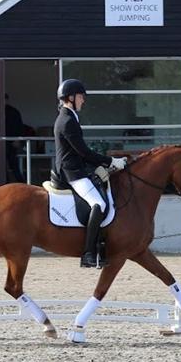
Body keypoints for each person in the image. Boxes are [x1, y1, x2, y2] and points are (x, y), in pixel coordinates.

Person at [52, 79, 127, 268]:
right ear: (70, 98)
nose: (83, 100)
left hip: (78, 168)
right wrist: (111, 161)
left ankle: (101, 247)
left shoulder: (70, 117)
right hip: (71, 172)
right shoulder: (67, 121)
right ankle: (88, 253)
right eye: (80, 96)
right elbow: (83, 152)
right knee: (99, 203)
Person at [3, 93, 25, 183]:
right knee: (1, 165)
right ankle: (6, 182)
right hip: (0, 141)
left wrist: (17, 139)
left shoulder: (13, 112)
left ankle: (21, 183)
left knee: (13, 164)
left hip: (11, 142)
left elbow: (19, 126)